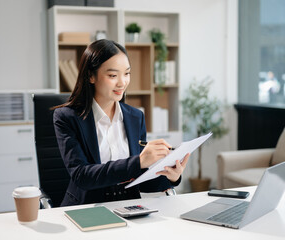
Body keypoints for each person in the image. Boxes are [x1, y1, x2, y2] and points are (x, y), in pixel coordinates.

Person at [53, 39, 189, 206]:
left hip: (128, 208)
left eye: (126, 73)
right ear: (91, 76)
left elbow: (140, 181)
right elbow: (82, 176)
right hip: (87, 208)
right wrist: (138, 161)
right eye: (112, 75)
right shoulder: (67, 117)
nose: (122, 82)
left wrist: (171, 176)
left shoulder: (135, 117)